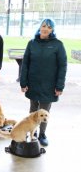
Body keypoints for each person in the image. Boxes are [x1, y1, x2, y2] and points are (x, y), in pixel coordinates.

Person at [20, 18, 67, 146]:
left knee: (45, 112)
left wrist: (59, 86)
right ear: (40, 27)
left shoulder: (58, 44)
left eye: (49, 27)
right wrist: (23, 83)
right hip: (33, 83)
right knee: (33, 109)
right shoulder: (32, 43)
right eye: (44, 26)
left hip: (49, 85)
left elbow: (63, 66)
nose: (46, 29)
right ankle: (32, 132)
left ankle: (42, 134)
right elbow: (25, 64)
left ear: (52, 30)